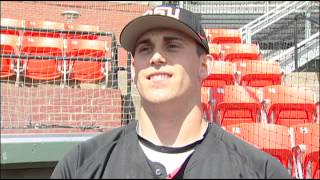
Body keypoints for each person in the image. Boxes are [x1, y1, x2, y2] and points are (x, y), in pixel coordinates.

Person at [51, 5, 291, 179]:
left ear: (204, 65)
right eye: (145, 48)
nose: (156, 57)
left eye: (172, 45)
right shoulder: (80, 165)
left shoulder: (261, 171)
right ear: (134, 68)